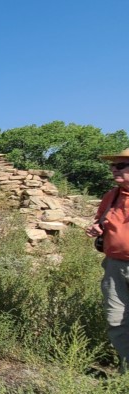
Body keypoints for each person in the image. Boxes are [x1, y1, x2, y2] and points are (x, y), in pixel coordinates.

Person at [87, 146, 129, 372]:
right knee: (117, 319)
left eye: (121, 165)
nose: (114, 169)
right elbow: (101, 221)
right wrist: (97, 228)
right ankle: (127, 374)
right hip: (115, 266)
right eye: (113, 165)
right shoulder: (112, 196)